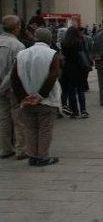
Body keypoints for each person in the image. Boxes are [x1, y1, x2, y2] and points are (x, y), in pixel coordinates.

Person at [10, 28, 61, 167]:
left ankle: (32, 155)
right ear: (49, 39)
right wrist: (40, 95)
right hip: (46, 99)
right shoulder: (52, 54)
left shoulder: (22, 54)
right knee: (45, 128)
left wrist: (23, 96)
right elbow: (53, 76)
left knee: (30, 128)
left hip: (26, 98)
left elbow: (14, 78)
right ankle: (42, 156)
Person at [0, 15, 26, 160]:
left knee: (3, 118)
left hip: (1, 86)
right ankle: (21, 149)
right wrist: (4, 85)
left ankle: (5, 148)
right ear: (16, 28)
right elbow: (15, 71)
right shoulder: (18, 46)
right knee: (18, 118)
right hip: (12, 87)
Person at [60, 26, 90, 118]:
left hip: (68, 68)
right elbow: (82, 54)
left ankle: (74, 111)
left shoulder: (64, 43)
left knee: (71, 91)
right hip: (79, 68)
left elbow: (63, 56)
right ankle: (83, 110)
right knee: (80, 90)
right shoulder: (79, 41)